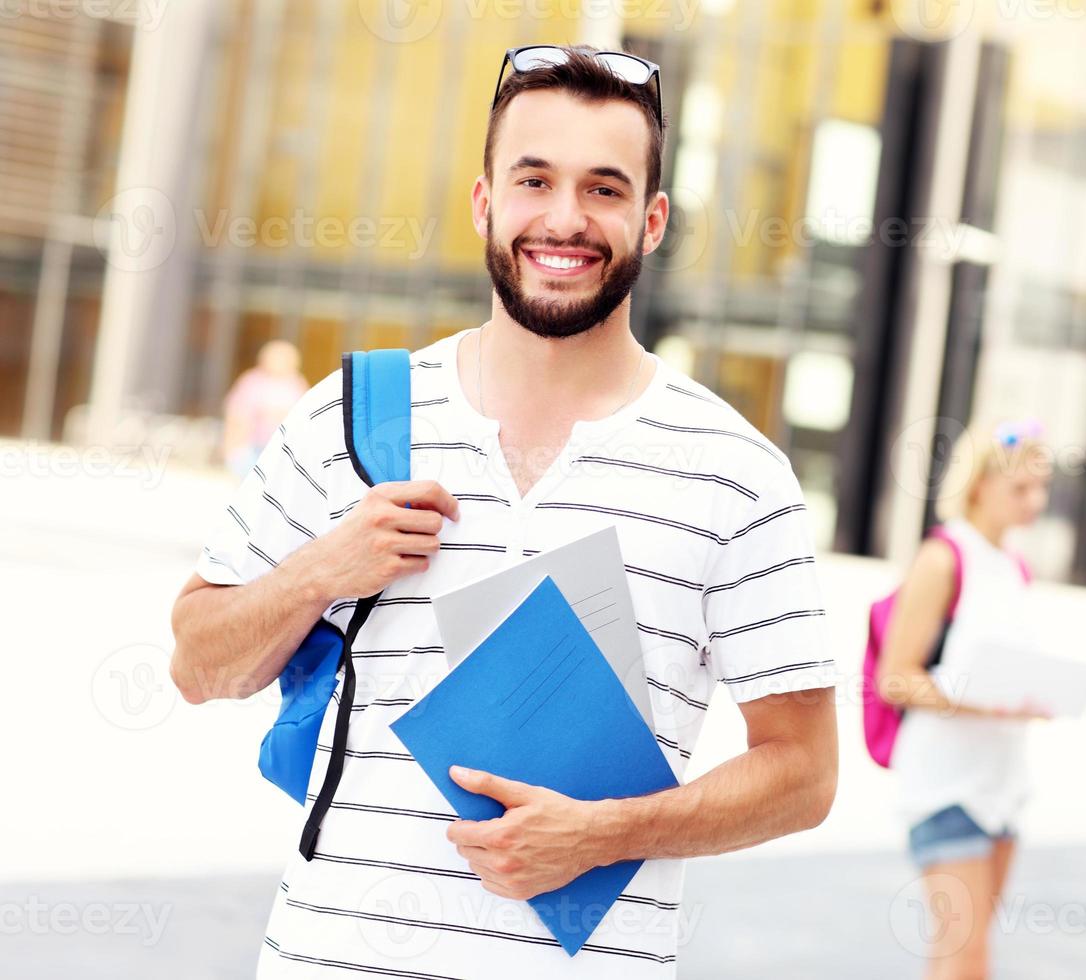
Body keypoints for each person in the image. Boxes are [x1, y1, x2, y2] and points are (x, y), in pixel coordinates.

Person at [170, 46, 837, 979]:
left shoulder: (737, 475)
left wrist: (606, 833)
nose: (565, 219)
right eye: (535, 180)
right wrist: (323, 570)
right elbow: (199, 666)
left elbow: (804, 775)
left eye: (604, 190)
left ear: (651, 222)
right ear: (486, 201)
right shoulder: (351, 413)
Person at [876, 420, 1053, 980]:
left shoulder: (1016, 566)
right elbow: (895, 678)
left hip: (1000, 787)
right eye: (1020, 488)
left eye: (1040, 488)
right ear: (979, 485)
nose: (1035, 502)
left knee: (964, 958)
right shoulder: (944, 557)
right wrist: (985, 702)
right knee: (965, 961)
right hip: (946, 787)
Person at [221, 339, 308, 479]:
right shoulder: (251, 380)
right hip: (247, 446)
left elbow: (303, 416)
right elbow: (235, 413)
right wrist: (230, 447)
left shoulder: (296, 383)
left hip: (279, 449)